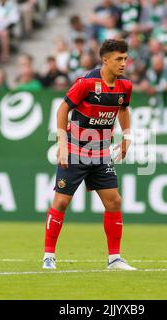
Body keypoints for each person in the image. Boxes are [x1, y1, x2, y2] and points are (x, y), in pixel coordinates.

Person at [43, 39, 136, 271]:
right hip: (75, 150)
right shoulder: (86, 83)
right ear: (105, 60)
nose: (123, 63)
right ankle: (48, 256)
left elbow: (123, 109)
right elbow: (63, 109)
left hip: (102, 152)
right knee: (62, 201)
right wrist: (62, 143)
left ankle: (114, 258)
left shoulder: (125, 86)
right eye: (118, 59)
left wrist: (126, 137)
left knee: (114, 201)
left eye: (125, 58)